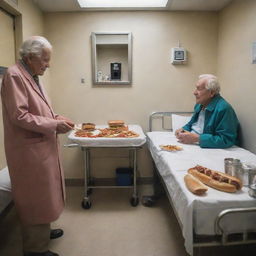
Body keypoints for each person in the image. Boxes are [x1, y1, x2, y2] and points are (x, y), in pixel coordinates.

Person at [1, 36, 74, 256]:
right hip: (28, 150)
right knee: (36, 197)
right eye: (45, 59)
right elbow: (19, 115)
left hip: (40, 145)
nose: (48, 64)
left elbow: (38, 110)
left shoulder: (31, 76)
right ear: (30, 57)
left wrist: (57, 118)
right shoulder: (14, 76)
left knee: (46, 194)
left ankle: (43, 231)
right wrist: (54, 124)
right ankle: (35, 250)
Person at [175, 74, 239, 148]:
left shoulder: (224, 109)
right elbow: (191, 123)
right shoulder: (199, 105)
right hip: (193, 142)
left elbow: (226, 140)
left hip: (205, 146)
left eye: (199, 89)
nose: (194, 92)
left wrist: (197, 138)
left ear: (211, 93)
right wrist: (183, 129)